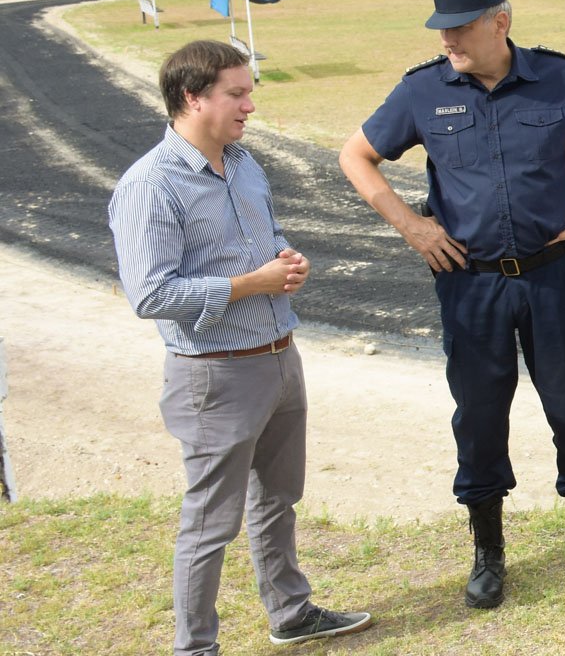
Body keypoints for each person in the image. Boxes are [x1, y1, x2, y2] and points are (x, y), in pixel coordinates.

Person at [338, 0, 565, 609]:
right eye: (443, 29)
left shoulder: (560, 77)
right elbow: (355, 155)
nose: (449, 38)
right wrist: (412, 228)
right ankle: (488, 553)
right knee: (479, 418)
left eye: (461, 27)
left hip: (552, 275)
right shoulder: (423, 90)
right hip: (470, 286)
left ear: (500, 23)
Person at [109, 40, 373, 655]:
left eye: (249, 91)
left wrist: (286, 260)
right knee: (210, 523)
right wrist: (246, 285)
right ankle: (194, 648)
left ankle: (290, 612)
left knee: (279, 500)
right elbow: (148, 294)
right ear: (191, 98)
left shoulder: (244, 163)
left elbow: (266, 235)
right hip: (214, 376)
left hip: (280, 358)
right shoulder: (149, 185)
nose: (249, 105)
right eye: (237, 93)